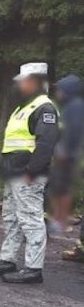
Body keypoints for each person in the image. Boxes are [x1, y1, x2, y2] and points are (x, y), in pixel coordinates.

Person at [0, 63, 59, 284]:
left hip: (27, 174)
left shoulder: (44, 108)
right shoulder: (24, 107)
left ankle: (33, 268)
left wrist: (32, 171)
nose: (20, 85)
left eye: (23, 81)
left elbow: (46, 144)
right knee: (11, 218)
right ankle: (8, 259)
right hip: (14, 174)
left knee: (31, 220)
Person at [49, 75, 84, 236]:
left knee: (63, 188)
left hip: (68, 156)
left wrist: (64, 151)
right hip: (65, 154)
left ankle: (60, 222)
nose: (57, 92)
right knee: (58, 188)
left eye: (60, 89)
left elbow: (74, 131)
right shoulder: (69, 106)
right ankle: (58, 219)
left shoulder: (75, 106)